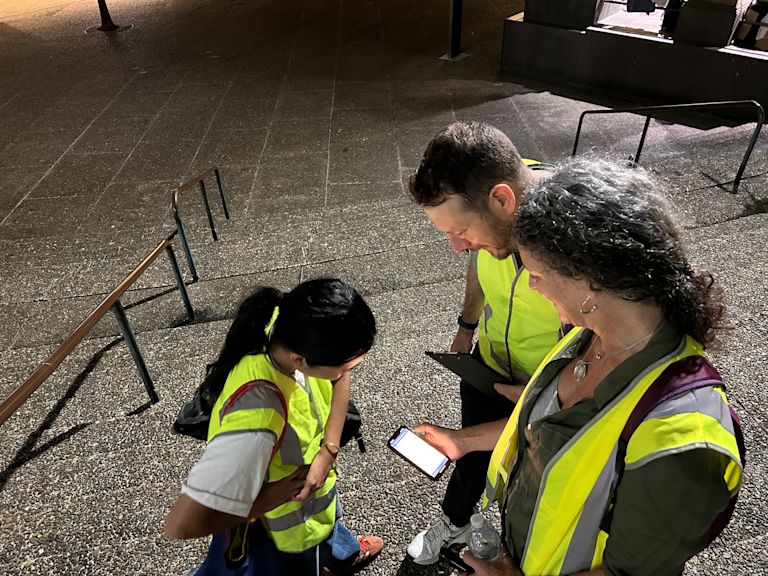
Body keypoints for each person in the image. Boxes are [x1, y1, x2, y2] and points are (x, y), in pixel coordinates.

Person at [415, 158, 744, 576]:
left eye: (536, 273)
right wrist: (462, 441)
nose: (531, 285)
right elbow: (556, 434)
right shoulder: (588, 336)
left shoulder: (684, 437)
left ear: (592, 278)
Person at [406, 122, 563, 564]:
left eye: (460, 230)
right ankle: (456, 521)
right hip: (490, 359)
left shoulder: (571, 244)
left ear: (502, 200)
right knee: (473, 451)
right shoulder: (495, 204)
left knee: (536, 471)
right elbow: (479, 263)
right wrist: (466, 326)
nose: (458, 247)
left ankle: (517, 547)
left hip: (550, 381)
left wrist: (553, 390)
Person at [165, 278, 383, 576]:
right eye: (346, 365)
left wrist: (329, 448)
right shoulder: (257, 420)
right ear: (300, 360)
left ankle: (340, 555)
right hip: (285, 532)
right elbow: (182, 524)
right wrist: (274, 495)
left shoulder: (285, 324)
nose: (348, 373)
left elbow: (339, 376)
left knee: (329, 532)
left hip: (315, 502)